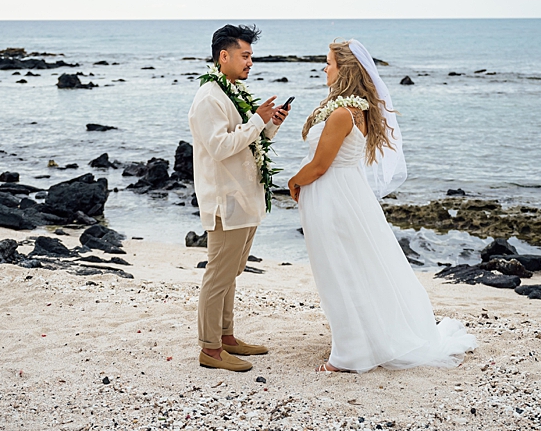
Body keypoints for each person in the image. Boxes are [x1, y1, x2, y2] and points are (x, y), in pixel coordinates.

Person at [288, 39, 477, 373]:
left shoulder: (343, 114)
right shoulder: (352, 108)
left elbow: (320, 165)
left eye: (328, 62)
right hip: (343, 194)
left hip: (334, 196)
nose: (323, 68)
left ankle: (351, 355)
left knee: (339, 271)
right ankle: (358, 340)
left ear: (344, 68)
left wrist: (293, 181)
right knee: (350, 268)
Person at [188, 24, 290, 372]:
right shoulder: (209, 98)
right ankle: (210, 349)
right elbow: (219, 147)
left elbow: (248, 142)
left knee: (231, 272)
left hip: (245, 197)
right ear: (224, 56)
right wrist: (257, 121)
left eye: (251, 55)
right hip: (225, 199)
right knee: (218, 274)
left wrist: (270, 123)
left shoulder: (231, 92)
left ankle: (227, 336)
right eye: (245, 55)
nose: (251, 61)